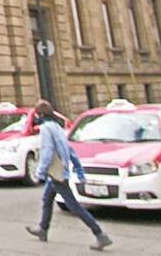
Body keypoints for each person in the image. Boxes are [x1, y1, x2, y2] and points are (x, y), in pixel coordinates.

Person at [25, 100, 112, 251]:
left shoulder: (46, 129)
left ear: (40, 115)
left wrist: (39, 172)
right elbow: (69, 149)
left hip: (57, 174)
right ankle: (43, 229)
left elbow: (47, 151)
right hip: (60, 172)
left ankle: (100, 234)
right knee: (47, 199)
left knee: (74, 206)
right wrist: (78, 169)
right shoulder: (58, 127)